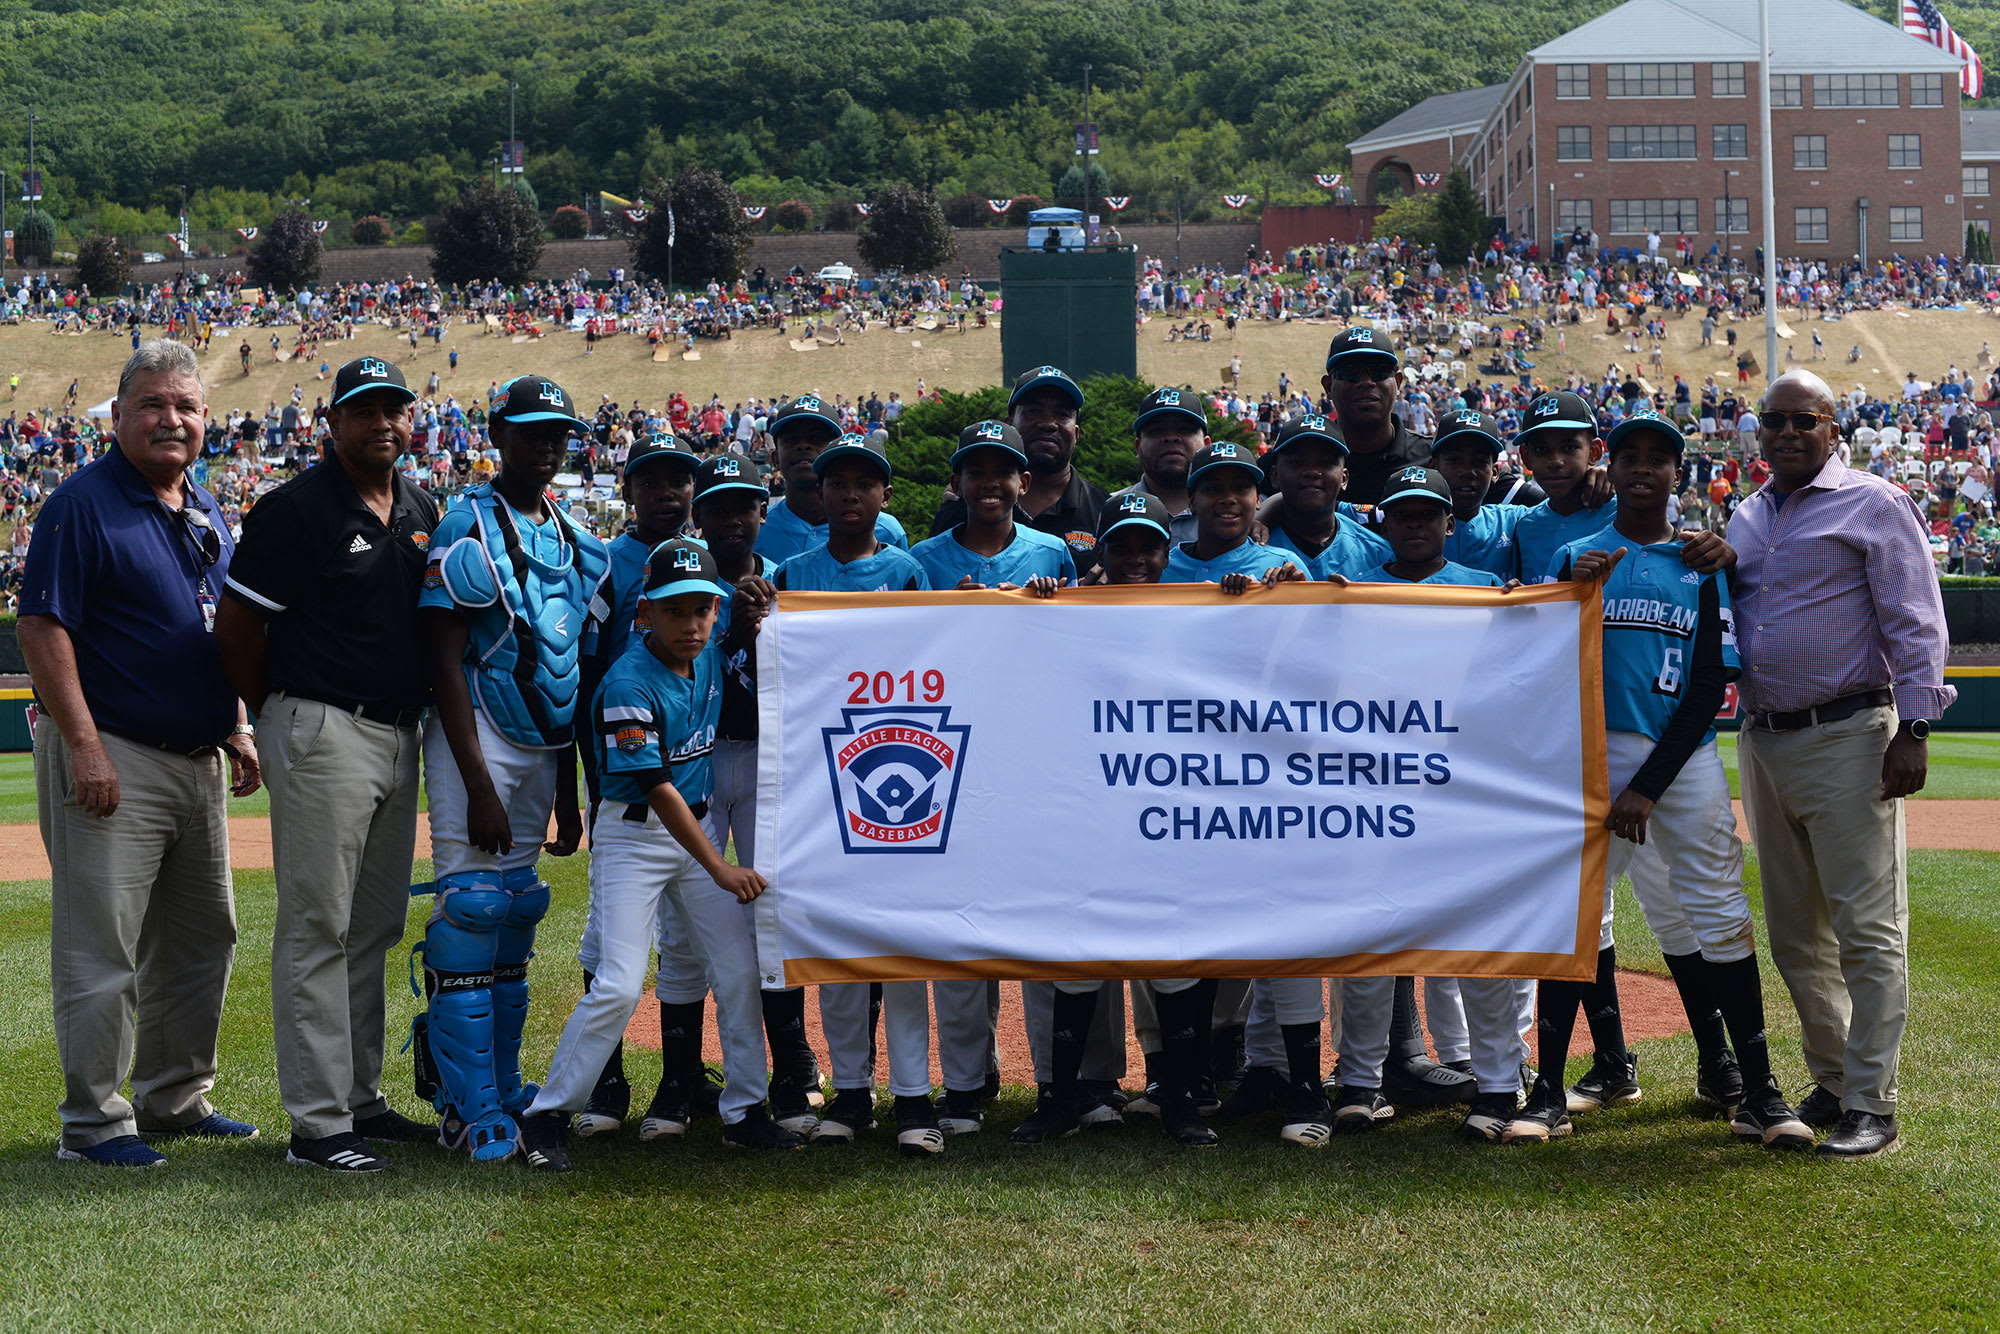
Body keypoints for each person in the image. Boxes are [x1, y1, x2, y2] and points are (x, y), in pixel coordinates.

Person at [1509, 410, 1812, 1150]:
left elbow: (1711, 681)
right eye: (1632, 456)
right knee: (1572, 914)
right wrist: (1561, 590)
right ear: (1610, 466)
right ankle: (1548, 1089)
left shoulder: (1702, 562)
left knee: (1717, 910)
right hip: (1581, 758)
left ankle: (1759, 1091)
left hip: (1678, 756)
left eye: (1661, 459)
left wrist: (1647, 783)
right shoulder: (1579, 556)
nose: (1646, 468)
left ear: (1679, 473)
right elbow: (1535, 666)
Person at [19, 339, 262, 1168]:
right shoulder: (81, 504)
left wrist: (233, 724)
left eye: (187, 407)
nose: (171, 419)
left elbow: (208, 627)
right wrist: (83, 745)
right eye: (153, 405)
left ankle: (175, 1097)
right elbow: (43, 626)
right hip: (115, 755)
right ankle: (94, 1124)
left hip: (197, 756)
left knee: (204, 937)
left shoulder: (204, 507)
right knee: (103, 946)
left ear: (206, 422)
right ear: (118, 416)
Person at [213, 355, 439, 1172]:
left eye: (396, 409)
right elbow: (236, 628)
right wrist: (275, 711)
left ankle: (361, 1100)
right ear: (333, 422)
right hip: (320, 723)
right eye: (366, 410)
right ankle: (317, 1125)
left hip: (396, 731)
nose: (385, 423)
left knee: (373, 925)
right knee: (318, 926)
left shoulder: (420, 505)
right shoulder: (295, 509)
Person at [1729, 370, 1956, 1159]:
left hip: (1852, 731)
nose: (1787, 433)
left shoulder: (1875, 501)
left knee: (1866, 928)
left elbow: (1917, 621)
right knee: (1795, 934)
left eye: (1804, 420)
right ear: (1758, 432)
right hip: (1763, 737)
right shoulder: (1748, 516)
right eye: (1774, 421)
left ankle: (1873, 1102)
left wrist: (1915, 728)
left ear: (1833, 427)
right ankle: (1832, 1079)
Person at [518, 540, 801, 1170]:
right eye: (677, 611)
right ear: (644, 613)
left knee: (736, 972)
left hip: (694, 830)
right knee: (618, 983)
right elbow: (658, 787)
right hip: (636, 837)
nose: (693, 623)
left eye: (703, 609)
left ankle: (744, 1112)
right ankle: (546, 1116)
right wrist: (720, 866)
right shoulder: (626, 681)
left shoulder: (707, 652)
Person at [412, 373, 608, 1163]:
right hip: (479, 740)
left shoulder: (575, 538)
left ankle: (501, 1082)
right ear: (498, 436)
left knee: (517, 909)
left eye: (558, 431)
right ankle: (468, 1108)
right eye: (531, 431)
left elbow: (574, 677)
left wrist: (567, 791)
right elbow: (444, 663)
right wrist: (479, 787)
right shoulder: (466, 525)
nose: (547, 444)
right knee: (472, 912)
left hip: (541, 749)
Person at [763, 434, 938, 1154]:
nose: (850, 495)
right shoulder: (791, 572)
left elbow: (939, 664)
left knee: (899, 947)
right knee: (833, 944)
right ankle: (852, 1091)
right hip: (817, 777)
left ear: (884, 498)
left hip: (898, 762)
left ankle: (914, 1097)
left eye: (865, 484)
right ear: (822, 492)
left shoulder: (907, 570)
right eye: (839, 484)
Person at [928, 367, 1107, 575]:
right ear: (1009, 425)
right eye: (1033, 411)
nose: (1048, 423)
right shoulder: (963, 508)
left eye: (1062, 414)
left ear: (1076, 433)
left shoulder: (1103, 510)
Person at [754, 396, 907, 562]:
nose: (803, 446)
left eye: (817, 438)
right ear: (775, 458)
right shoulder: (755, 529)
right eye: (791, 439)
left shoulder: (887, 531)